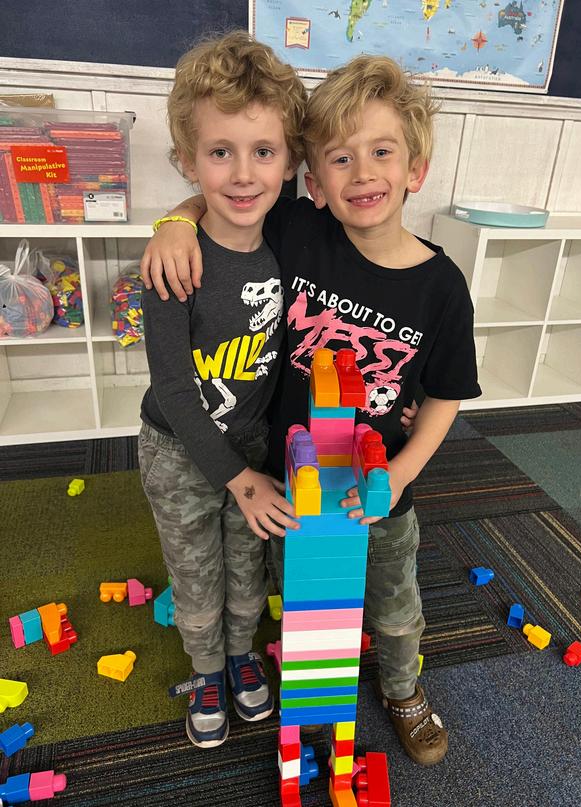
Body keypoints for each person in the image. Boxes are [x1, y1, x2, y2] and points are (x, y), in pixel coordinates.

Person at [141, 53, 481, 766]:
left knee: (394, 603)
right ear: (316, 183)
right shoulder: (298, 233)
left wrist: (399, 470)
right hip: (294, 479)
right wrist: (173, 221)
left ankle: (403, 689)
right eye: (340, 158)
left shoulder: (442, 286)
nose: (362, 174)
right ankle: (284, 683)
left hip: (379, 488)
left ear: (415, 169)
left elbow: (446, 394)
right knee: (303, 600)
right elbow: (226, 196)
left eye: (382, 152)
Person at [138, 31, 306, 750]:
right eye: (219, 152)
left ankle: (241, 656)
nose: (242, 174)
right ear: (187, 159)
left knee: (247, 567)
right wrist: (175, 220)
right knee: (196, 574)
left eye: (263, 151)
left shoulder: (289, 243)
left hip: (254, 446)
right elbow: (175, 391)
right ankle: (207, 669)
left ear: (290, 162)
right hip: (179, 453)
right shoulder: (173, 262)